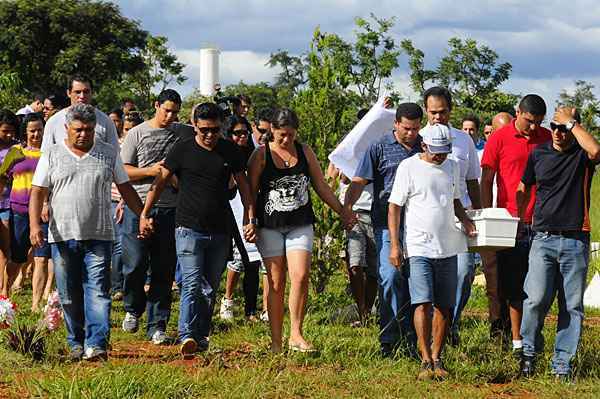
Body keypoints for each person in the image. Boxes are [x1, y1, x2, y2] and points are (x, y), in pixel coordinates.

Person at [29, 103, 146, 361]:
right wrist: (35, 225)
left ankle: (97, 344)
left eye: (89, 130)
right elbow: (38, 191)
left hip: (99, 235)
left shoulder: (108, 153)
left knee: (98, 291)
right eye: (78, 129)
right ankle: (76, 343)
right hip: (62, 235)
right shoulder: (52, 154)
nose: (84, 134)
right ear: (66, 128)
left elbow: (125, 187)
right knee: (69, 293)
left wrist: (142, 215)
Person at [139, 102, 255, 358]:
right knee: (191, 284)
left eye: (214, 130)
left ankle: (201, 335)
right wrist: (145, 212)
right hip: (188, 228)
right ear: (195, 126)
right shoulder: (182, 149)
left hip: (220, 230)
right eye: (204, 130)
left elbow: (245, 186)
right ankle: (187, 334)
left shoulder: (229, 151)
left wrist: (250, 217)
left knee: (209, 288)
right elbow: (160, 182)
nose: (210, 135)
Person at [248, 108, 354, 353]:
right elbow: (250, 193)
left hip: (300, 222)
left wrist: (342, 211)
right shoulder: (261, 155)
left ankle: (296, 333)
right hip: (270, 225)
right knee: (276, 282)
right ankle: (276, 340)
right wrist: (250, 220)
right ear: (272, 130)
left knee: (301, 275)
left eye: (291, 135)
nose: (286, 140)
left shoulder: (305, 152)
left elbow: (321, 185)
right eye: (282, 135)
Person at [516, 107, 600, 380]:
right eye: (554, 126)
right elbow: (524, 186)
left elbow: (596, 151)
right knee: (535, 300)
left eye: (563, 128)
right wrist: (521, 219)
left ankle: (561, 365)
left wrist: (571, 122)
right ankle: (528, 354)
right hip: (543, 238)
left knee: (571, 306)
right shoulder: (538, 153)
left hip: (576, 239)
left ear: (573, 128)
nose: (557, 132)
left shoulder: (582, 156)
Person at [388, 123, 476, 380]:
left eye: (445, 151)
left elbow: (456, 199)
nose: (441, 156)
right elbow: (395, 207)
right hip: (418, 245)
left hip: (449, 245)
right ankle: (425, 359)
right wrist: (396, 245)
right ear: (424, 145)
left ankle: (438, 357)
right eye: (436, 151)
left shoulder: (452, 166)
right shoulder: (409, 167)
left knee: (445, 306)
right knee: (422, 302)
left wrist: (467, 220)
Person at [344, 102, 423, 357]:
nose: (411, 133)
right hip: (386, 225)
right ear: (396, 124)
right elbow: (359, 181)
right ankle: (388, 338)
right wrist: (347, 207)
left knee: (415, 281)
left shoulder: (427, 147)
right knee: (389, 278)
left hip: (420, 225)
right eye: (406, 128)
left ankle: (413, 338)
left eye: (415, 128)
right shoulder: (378, 148)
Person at [120, 89, 194, 344]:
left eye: (175, 111)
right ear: (156, 106)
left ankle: (157, 324)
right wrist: (152, 171)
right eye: (167, 110)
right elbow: (124, 171)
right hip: (137, 206)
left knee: (164, 268)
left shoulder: (184, 133)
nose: (171, 116)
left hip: (172, 207)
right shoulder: (137, 133)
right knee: (135, 263)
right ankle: (132, 307)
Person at [481, 94, 551, 353]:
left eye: (539, 122)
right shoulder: (499, 138)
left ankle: (531, 338)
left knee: (539, 287)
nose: (533, 128)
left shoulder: (547, 137)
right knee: (509, 284)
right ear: (518, 112)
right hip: (509, 222)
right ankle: (514, 341)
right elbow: (486, 179)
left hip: (543, 221)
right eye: (530, 121)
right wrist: (489, 214)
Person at [421, 87, 481, 347]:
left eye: (442, 112)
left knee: (464, 273)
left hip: (461, 217)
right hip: (427, 219)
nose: (437, 117)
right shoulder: (418, 137)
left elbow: (472, 181)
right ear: (426, 111)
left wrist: (479, 214)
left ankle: (451, 325)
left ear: (450, 111)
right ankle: (432, 330)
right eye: (433, 112)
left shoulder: (463, 140)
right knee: (428, 276)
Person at [0, 113, 52, 310]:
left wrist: (46, 201)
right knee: (17, 257)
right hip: (18, 210)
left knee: (41, 257)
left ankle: (35, 305)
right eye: (32, 131)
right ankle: (5, 292)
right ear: (25, 132)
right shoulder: (15, 152)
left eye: (39, 130)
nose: (36, 134)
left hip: (44, 212)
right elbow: (3, 177)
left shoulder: (50, 153)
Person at [219, 114, 262, 322]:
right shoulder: (222, 154)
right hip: (225, 210)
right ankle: (227, 299)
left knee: (252, 260)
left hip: (247, 210)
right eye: (237, 133)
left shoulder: (252, 154)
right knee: (234, 260)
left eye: (246, 132)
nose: (242, 137)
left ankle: (251, 310)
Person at [480, 112, 512, 341]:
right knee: (494, 280)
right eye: (496, 131)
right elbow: (481, 184)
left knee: (515, 279)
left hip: (514, 221)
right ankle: (497, 330)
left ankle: (516, 332)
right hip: (492, 222)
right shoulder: (483, 154)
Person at [110, 111, 144, 301]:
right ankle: (117, 285)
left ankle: (130, 285)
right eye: (126, 129)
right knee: (117, 245)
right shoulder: (116, 145)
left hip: (130, 200)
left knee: (128, 246)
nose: (128, 133)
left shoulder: (139, 145)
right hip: (113, 200)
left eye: (132, 129)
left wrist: (124, 201)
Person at [42, 75, 119, 152]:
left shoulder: (106, 121)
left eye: (86, 92)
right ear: (69, 93)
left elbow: (115, 154)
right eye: (78, 92)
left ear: (92, 93)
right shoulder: (54, 122)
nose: (82, 96)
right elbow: (46, 155)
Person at [0, 109, 18, 296]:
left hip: (7, 204)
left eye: (12, 130)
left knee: (6, 250)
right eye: (5, 130)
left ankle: (3, 289)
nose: (9, 134)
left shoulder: (17, 149)